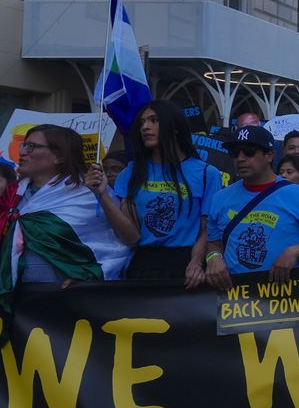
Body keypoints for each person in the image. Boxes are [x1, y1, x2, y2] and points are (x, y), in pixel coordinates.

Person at [86, 101, 223, 285]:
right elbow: (132, 237)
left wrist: (197, 263)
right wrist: (102, 195)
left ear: (175, 128)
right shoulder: (131, 173)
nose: (146, 127)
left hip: (187, 266)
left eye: (154, 120)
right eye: (142, 122)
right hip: (143, 265)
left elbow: (206, 229)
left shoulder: (207, 174)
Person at [0, 125, 131, 297]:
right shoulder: (11, 194)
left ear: (59, 156)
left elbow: (115, 246)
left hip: (63, 297)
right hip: (13, 293)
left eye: (32, 146)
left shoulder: (87, 193)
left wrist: (88, 275)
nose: (23, 152)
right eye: (24, 145)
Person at [203, 126, 299, 290]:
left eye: (249, 151)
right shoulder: (220, 198)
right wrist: (213, 257)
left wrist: (295, 251)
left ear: (269, 155)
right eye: (235, 153)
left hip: (285, 299)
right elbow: (214, 243)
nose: (240, 158)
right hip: (236, 301)